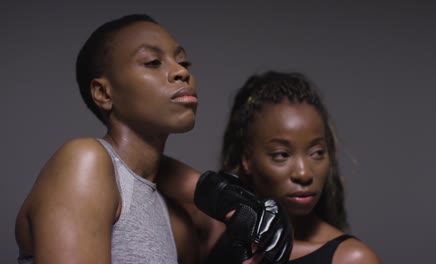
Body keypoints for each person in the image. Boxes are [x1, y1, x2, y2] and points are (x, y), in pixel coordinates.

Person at [14, 14, 204, 264]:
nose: (181, 72)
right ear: (104, 93)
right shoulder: (83, 162)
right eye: (153, 62)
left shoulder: (178, 223)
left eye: (184, 62)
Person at [204, 71, 382, 263]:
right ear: (246, 159)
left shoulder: (351, 259)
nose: (304, 174)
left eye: (317, 153)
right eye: (282, 155)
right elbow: (168, 173)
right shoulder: (211, 235)